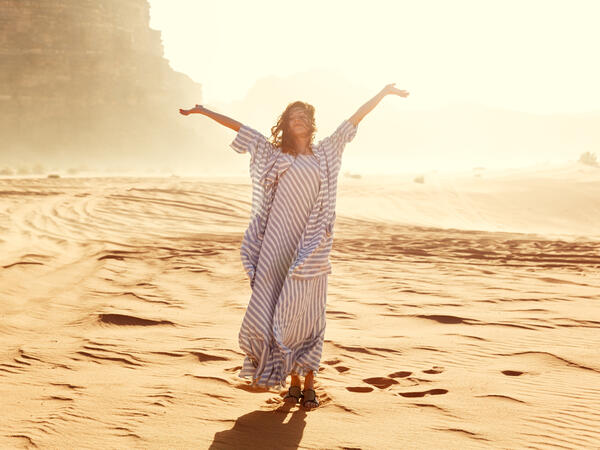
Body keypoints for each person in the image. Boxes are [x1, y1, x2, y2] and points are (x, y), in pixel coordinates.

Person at [179, 83, 409, 410]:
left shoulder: (327, 152)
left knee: (310, 312)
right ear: (285, 124)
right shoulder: (274, 155)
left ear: (311, 123)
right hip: (275, 243)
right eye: (291, 117)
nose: (297, 120)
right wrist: (203, 112)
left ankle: (310, 379)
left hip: (312, 244)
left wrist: (384, 93)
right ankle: (293, 381)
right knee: (277, 309)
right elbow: (242, 129)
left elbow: (354, 119)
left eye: (302, 116)